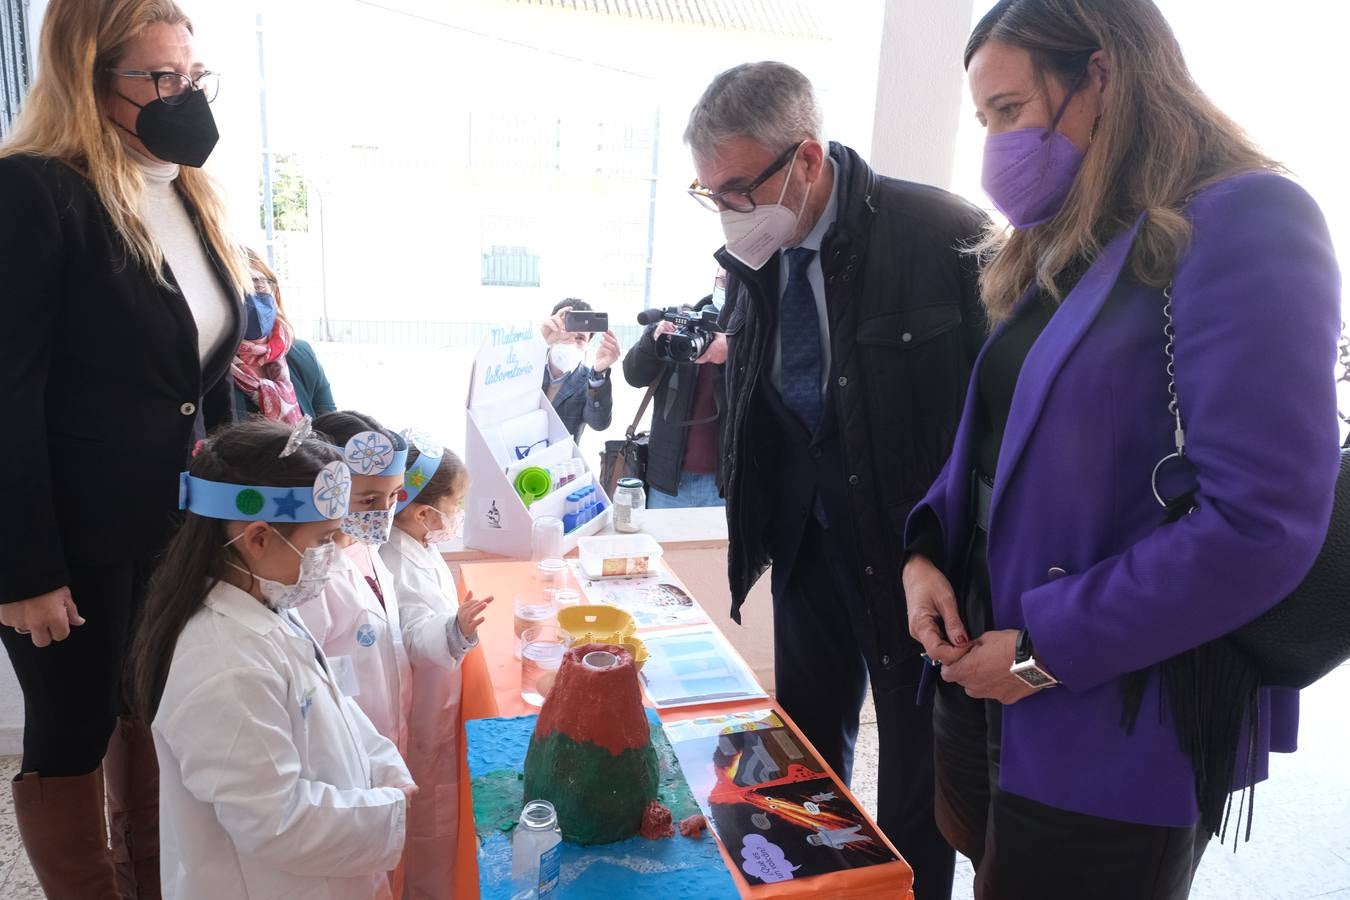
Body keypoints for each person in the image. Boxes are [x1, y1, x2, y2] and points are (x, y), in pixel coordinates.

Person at [902, 2, 1341, 897]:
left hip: (1110, 710)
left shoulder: (1250, 220)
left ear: (1100, 74)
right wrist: (922, 553)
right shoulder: (1076, 237)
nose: (995, 145)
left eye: (1010, 111)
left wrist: (1039, 653)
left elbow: (1257, 523)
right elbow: (999, 437)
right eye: (983, 118)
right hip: (981, 669)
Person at [685, 62, 988, 899]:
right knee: (804, 754)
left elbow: (1003, 413)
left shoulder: (943, 234)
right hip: (805, 541)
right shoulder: (761, 252)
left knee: (919, 773)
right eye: (711, 192)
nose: (728, 212)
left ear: (808, 160)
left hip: (912, 553)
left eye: (740, 189)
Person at [0, 1, 247, 895]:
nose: (183, 98)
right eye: (159, 79)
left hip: (172, 526)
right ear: (87, 78)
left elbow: (198, 373)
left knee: (157, 714)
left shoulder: (182, 186)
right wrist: (21, 569)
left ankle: (154, 882)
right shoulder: (32, 190)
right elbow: (6, 394)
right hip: (65, 537)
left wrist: (234, 511)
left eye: (192, 77)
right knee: (73, 727)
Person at [127, 418, 413, 900]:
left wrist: (386, 770)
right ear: (257, 538)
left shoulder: (266, 603)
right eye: (323, 541)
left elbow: (336, 708)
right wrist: (387, 812)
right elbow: (273, 822)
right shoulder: (223, 662)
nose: (335, 556)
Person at [382, 437, 492, 899]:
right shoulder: (394, 558)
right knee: (429, 821)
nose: (460, 512)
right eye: (457, 503)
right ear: (423, 512)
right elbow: (414, 634)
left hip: (439, 698)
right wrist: (454, 629)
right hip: (423, 713)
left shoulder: (418, 543)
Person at [622, 293, 726, 508]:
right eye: (721, 278)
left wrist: (733, 350)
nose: (725, 283)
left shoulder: (754, 332)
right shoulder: (682, 326)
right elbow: (634, 376)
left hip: (724, 485)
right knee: (659, 542)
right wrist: (654, 338)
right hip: (667, 480)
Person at [232, 250, 337, 421]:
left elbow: (332, 426)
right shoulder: (210, 367)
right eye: (240, 289)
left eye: (259, 285)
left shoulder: (301, 354)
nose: (252, 299)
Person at [540, 298, 619, 441]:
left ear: (588, 344)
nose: (571, 341)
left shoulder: (588, 380)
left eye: (580, 338)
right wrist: (539, 341)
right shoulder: (529, 367)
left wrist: (599, 372)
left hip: (561, 461)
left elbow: (599, 423)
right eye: (565, 332)